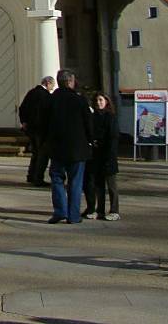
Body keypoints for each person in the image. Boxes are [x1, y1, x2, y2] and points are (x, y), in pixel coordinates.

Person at [45, 69, 93, 224]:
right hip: (78, 148)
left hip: (57, 147)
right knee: (75, 182)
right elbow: (88, 123)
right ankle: (73, 215)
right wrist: (91, 139)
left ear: (59, 82)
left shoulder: (51, 100)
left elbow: (43, 123)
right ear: (71, 82)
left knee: (57, 179)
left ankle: (60, 211)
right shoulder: (79, 100)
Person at [83, 92, 120, 221]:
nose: (99, 103)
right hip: (96, 155)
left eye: (101, 100)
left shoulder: (110, 117)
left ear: (106, 101)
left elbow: (113, 137)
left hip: (108, 155)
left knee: (111, 186)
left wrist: (111, 155)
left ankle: (114, 210)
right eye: (97, 100)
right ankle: (99, 210)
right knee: (98, 186)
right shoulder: (93, 117)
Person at [18, 75, 56, 187]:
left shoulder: (31, 93)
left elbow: (22, 108)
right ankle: (38, 178)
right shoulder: (46, 96)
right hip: (41, 129)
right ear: (48, 83)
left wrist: (24, 121)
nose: (52, 88)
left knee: (35, 153)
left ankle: (31, 175)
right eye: (52, 86)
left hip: (31, 128)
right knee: (42, 154)